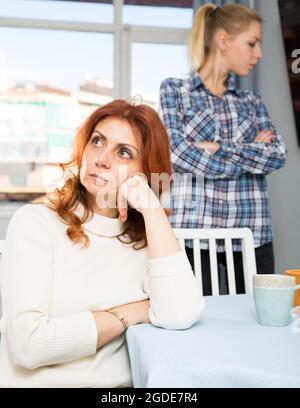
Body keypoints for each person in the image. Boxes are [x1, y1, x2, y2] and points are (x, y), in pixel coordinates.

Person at [0, 100, 204, 388]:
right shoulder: (36, 223)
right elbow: (29, 345)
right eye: (97, 141)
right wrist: (130, 312)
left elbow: (181, 314)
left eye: (124, 152)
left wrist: (152, 209)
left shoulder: (150, 237)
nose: (101, 159)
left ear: (146, 171)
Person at [159, 3, 287, 295]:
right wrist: (248, 153)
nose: (259, 54)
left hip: (253, 237)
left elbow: (278, 154)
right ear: (223, 40)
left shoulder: (252, 102)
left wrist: (216, 147)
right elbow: (176, 153)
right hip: (193, 235)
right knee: (195, 325)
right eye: (252, 43)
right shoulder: (174, 91)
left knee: (257, 326)